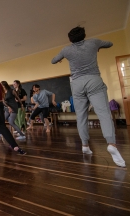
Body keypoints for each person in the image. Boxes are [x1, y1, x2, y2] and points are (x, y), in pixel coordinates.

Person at [51, 26, 126, 167]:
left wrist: (61, 58)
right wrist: (98, 47)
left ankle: (85, 146)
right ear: (84, 35)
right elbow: (110, 43)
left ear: (70, 39)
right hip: (94, 80)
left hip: (77, 83)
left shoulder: (66, 50)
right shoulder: (93, 42)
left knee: (81, 116)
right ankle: (111, 144)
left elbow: (53, 60)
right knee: (104, 113)